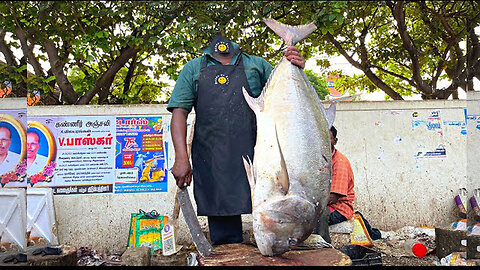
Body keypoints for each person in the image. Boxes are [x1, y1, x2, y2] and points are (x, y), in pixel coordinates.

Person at [168, 34, 306, 245]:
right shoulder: (193, 68)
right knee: (224, 233)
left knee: (277, 219)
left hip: (260, 155)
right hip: (213, 157)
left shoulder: (257, 65)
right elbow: (179, 112)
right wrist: (181, 157)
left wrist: (295, 66)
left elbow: (285, 94)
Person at [327, 125, 355, 225]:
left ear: (335, 141)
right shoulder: (322, 159)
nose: (323, 143)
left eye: (328, 139)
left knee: (307, 220)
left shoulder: (339, 162)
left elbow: (333, 198)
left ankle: (323, 240)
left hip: (338, 209)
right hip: (325, 205)